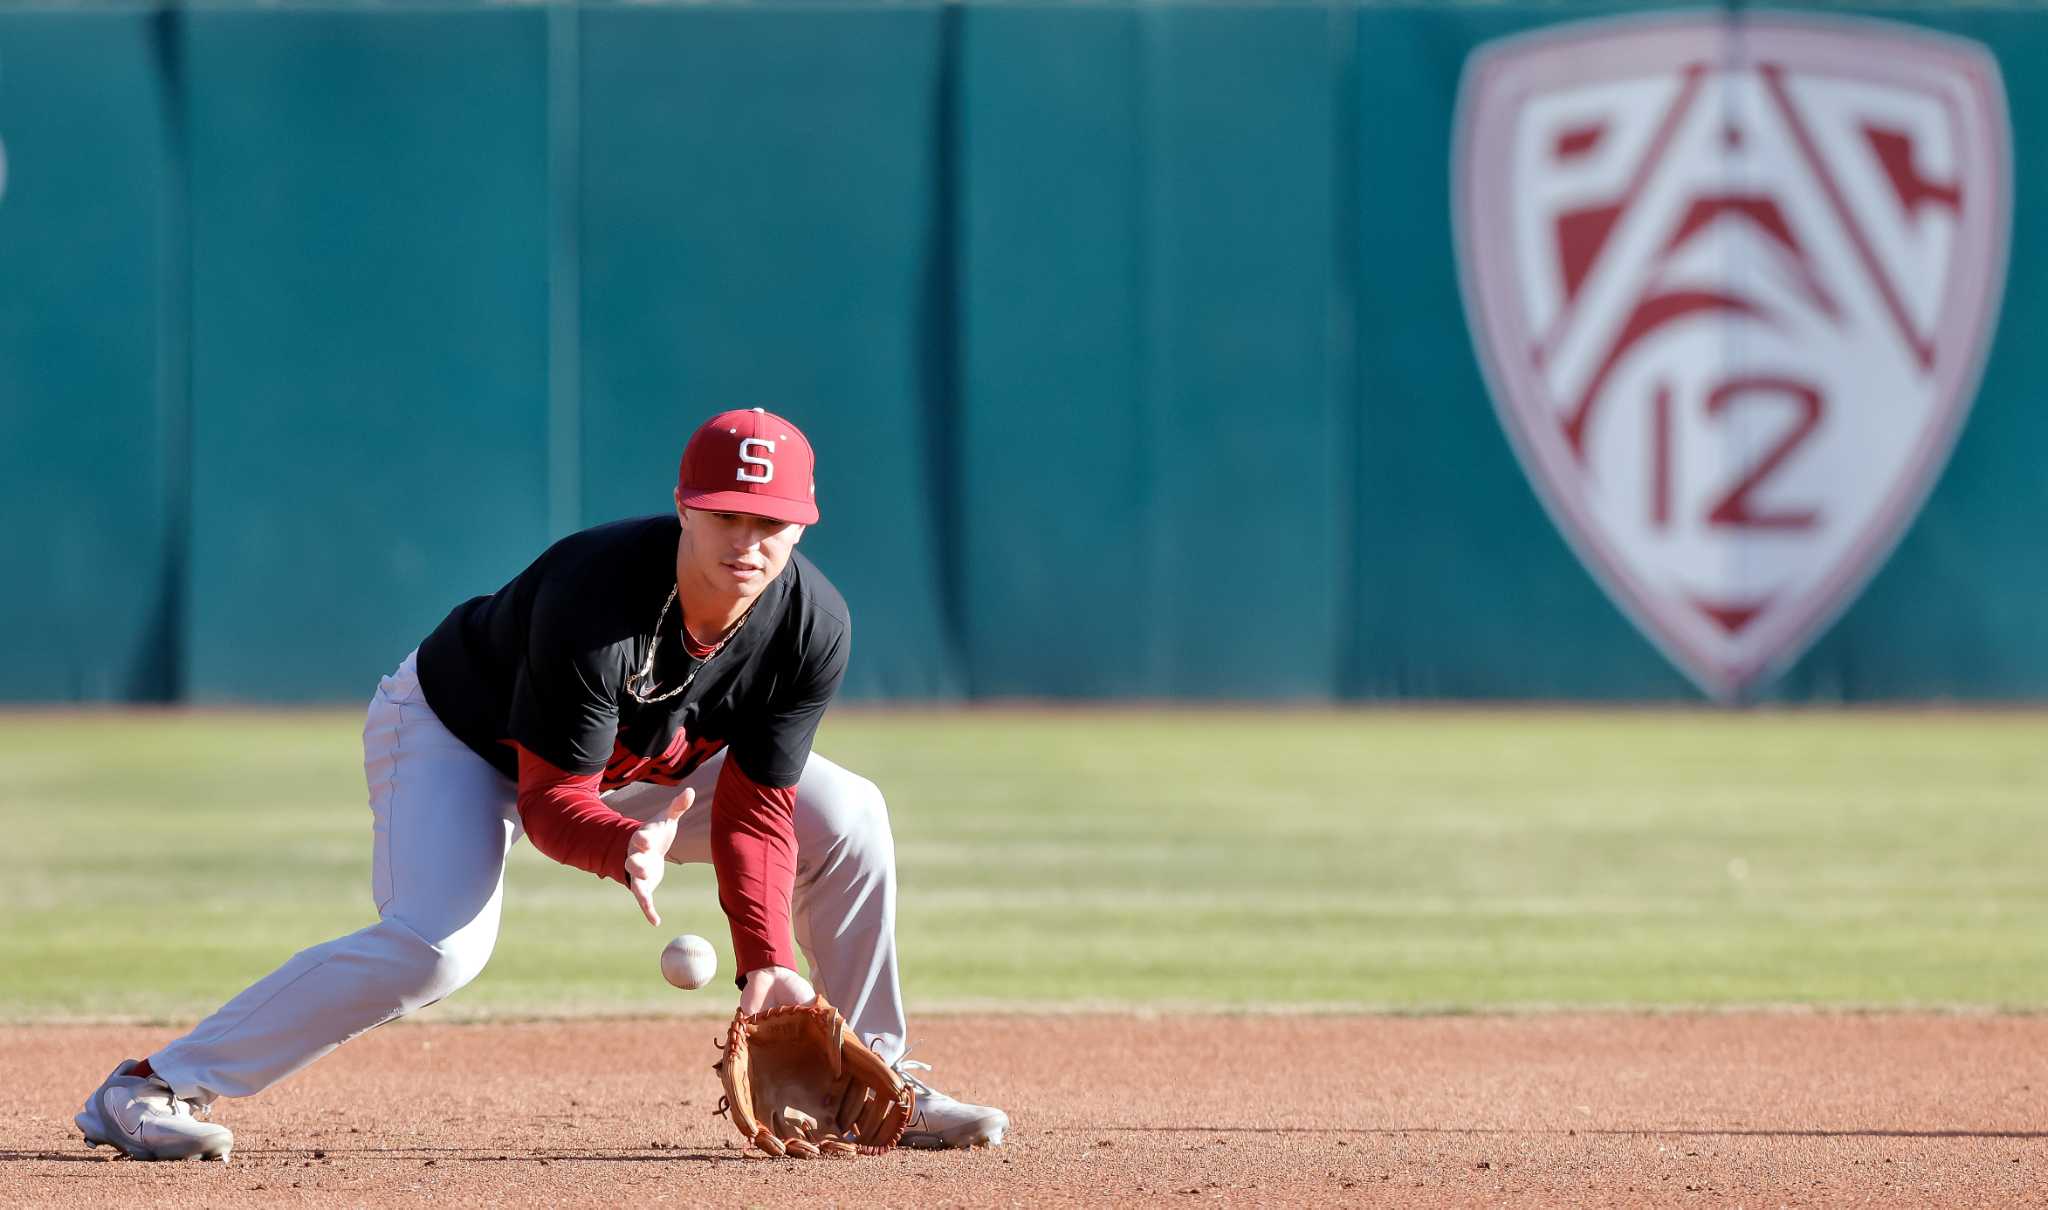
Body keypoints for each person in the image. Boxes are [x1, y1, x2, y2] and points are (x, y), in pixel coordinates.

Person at [75, 408, 1008, 1162]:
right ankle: (150, 1085)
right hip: (460, 741)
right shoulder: (597, 596)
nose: (749, 541)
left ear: (803, 527)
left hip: (644, 774)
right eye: (728, 514)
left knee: (846, 814)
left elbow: (761, 808)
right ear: (685, 507)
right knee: (436, 950)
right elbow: (552, 803)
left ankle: (871, 1081)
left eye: (772, 523)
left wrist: (766, 959)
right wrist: (615, 842)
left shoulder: (813, 626)